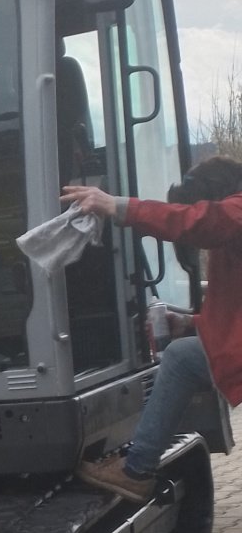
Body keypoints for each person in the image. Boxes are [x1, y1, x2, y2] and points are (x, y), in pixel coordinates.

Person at [63, 156, 242, 501]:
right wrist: (191, 323)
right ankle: (137, 467)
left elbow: (198, 222)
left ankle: (136, 470)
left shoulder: (234, 213)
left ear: (217, 195)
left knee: (180, 358)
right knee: (183, 355)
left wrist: (118, 206)